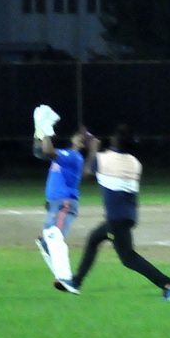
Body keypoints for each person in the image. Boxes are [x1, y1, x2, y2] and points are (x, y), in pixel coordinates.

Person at [67, 124, 170, 301]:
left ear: (115, 140)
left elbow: (87, 172)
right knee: (93, 239)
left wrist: (92, 149)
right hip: (128, 215)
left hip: (116, 218)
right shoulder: (136, 163)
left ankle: (169, 284)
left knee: (128, 258)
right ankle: (76, 282)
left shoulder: (104, 159)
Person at [33, 106, 96, 294]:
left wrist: (45, 129)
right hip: (57, 203)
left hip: (65, 204)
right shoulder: (69, 156)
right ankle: (61, 276)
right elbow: (40, 151)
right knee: (47, 241)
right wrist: (40, 129)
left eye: (81, 137)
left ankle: (66, 279)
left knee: (54, 235)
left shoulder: (72, 156)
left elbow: (47, 151)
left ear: (82, 144)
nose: (77, 136)